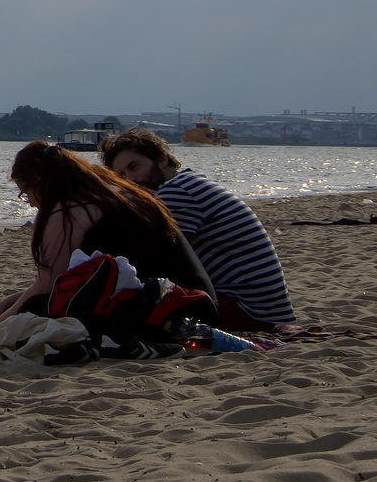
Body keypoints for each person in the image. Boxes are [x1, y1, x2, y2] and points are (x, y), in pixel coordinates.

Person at [0, 141, 215, 344]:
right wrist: (1, 310)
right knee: (21, 303)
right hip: (198, 304)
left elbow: (48, 286)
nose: (29, 203)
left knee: (30, 311)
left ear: (39, 180)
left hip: (172, 314)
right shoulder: (106, 192)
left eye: (25, 193)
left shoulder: (66, 210)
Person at [100, 128, 295, 332]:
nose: (131, 180)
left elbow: (153, 256)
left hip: (245, 310)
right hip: (263, 309)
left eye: (135, 167)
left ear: (161, 159)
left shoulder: (176, 191)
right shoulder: (189, 182)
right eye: (121, 176)